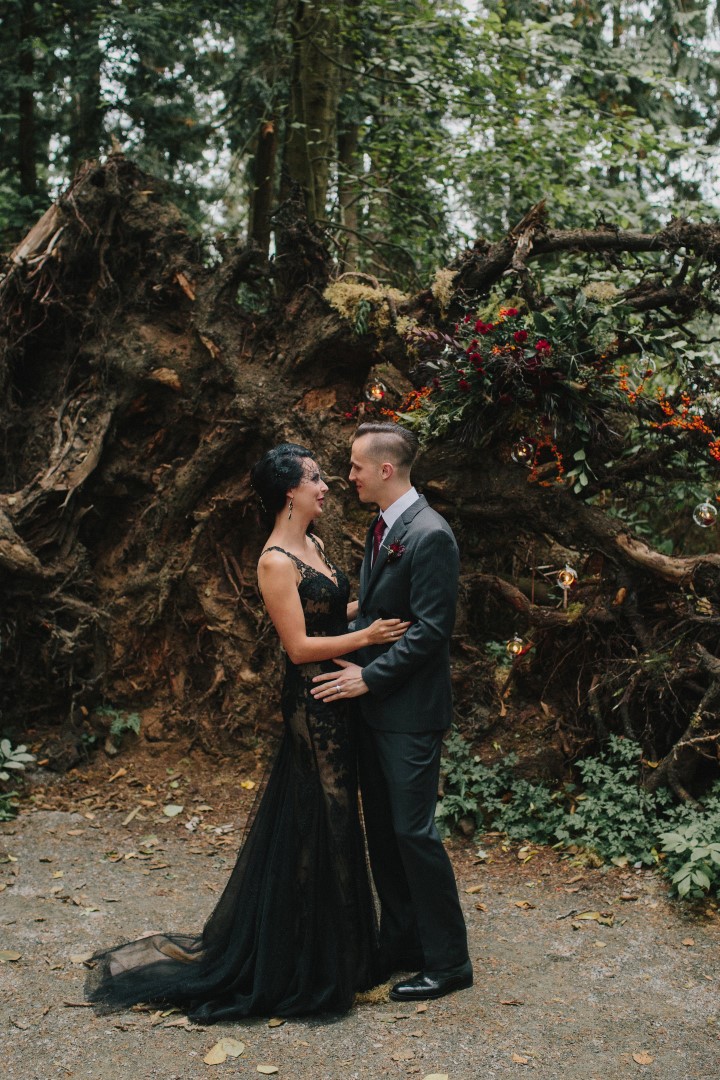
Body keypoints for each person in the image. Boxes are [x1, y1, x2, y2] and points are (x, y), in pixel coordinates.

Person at [86, 442, 409, 1021]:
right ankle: (310, 964)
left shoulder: (314, 544)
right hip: (313, 703)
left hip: (340, 698)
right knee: (327, 820)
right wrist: (367, 639)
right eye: (316, 479)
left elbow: (333, 613)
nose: (327, 486)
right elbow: (299, 646)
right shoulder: (274, 562)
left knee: (330, 819)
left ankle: (339, 953)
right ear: (291, 491)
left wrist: (372, 611)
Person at [311, 422, 472, 1002]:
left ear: (384, 469)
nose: (346, 476)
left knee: (413, 832)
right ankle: (402, 943)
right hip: (375, 710)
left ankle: (450, 963)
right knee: (383, 832)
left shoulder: (431, 535)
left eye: (355, 466)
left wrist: (368, 677)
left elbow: (431, 632)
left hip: (408, 712)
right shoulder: (383, 527)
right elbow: (378, 613)